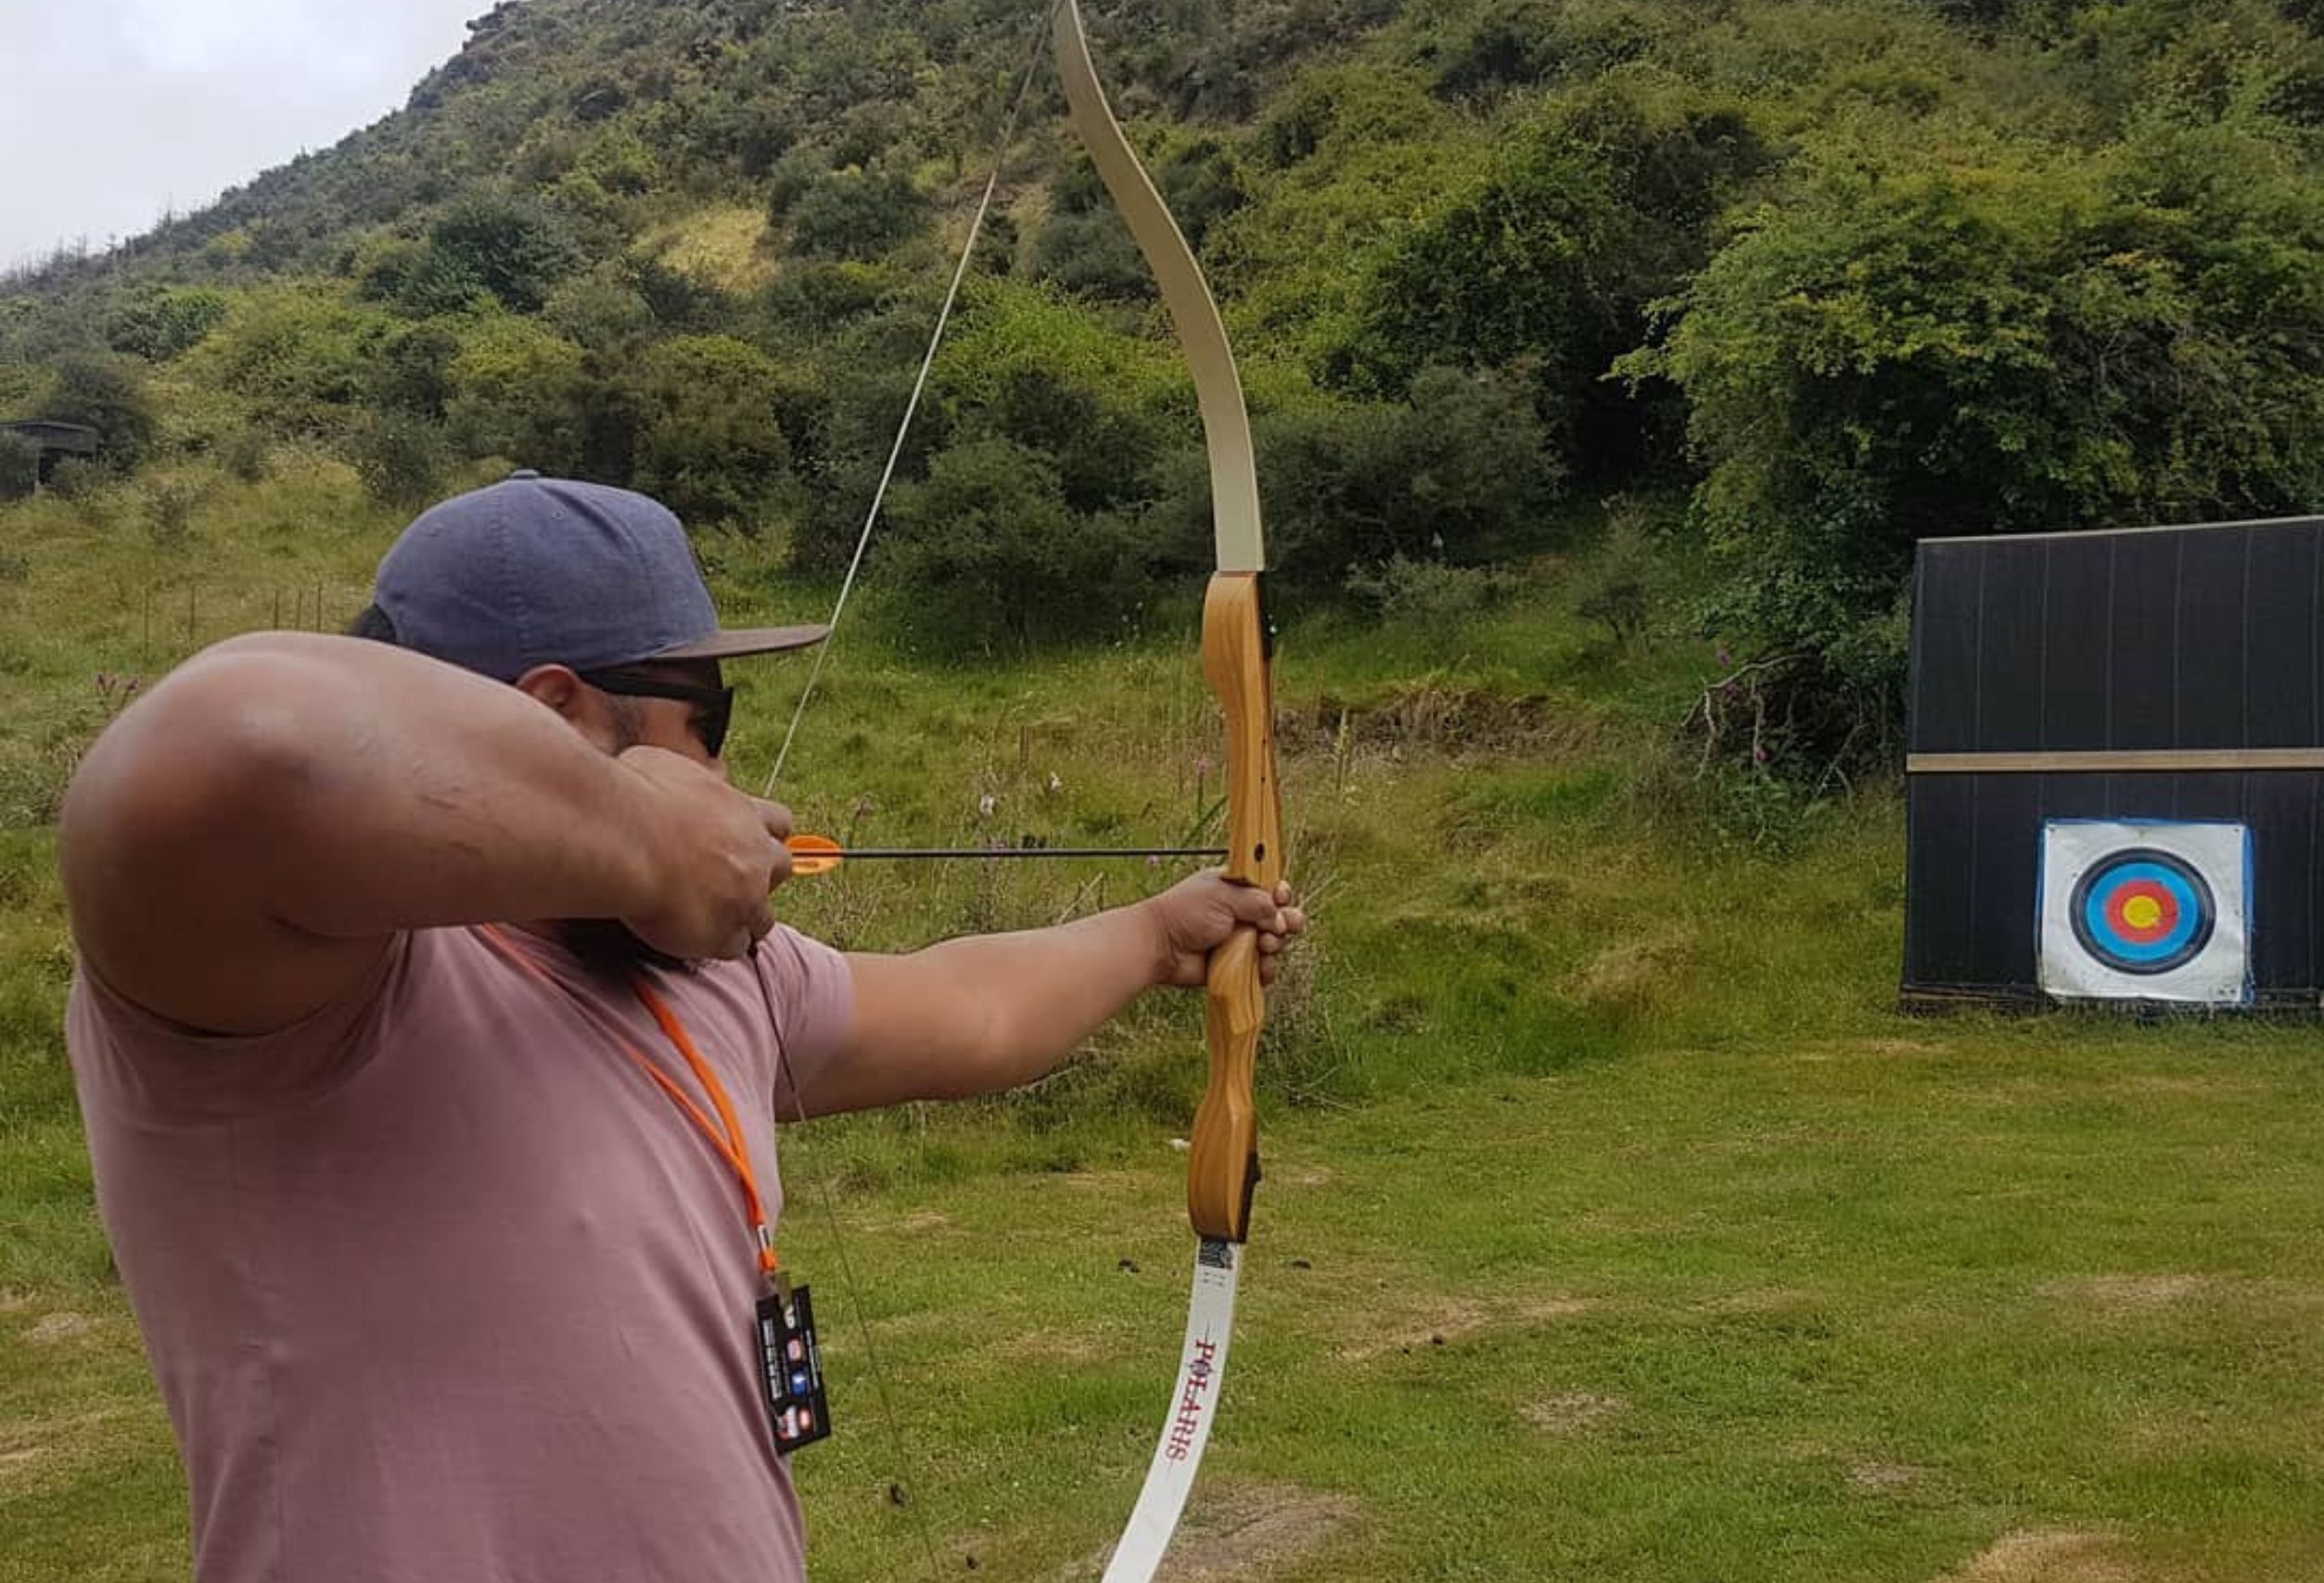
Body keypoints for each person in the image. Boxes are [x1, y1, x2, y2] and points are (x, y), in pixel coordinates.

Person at [59, 472, 1305, 1583]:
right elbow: (235, 741)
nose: (722, 774)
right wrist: (643, 836)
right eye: (703, 723)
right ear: (558, 709)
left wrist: (1154, 936)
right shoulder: (292, 986)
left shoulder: (710, 976)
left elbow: (969, 1008)